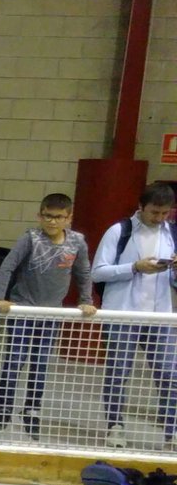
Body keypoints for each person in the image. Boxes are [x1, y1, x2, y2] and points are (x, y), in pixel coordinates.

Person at [0, 193, 96, 439]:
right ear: (39, 216)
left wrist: (86, 300)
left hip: (51, 313)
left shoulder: (77, 242)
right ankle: (3, 410)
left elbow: (83, 273)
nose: (52, 221)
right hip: (23, 308)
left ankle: (32, 410)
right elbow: (8, 265)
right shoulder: (30, 238)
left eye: (58, 217)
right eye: (47, 216)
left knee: (40, 364)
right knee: (14, 361)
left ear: (69, 218)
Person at [91, 181, 177, 449]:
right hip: (123, 315)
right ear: (141, 207)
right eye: (154, 212)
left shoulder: (172, 233)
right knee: (119, 372)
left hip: (160, 316)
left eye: (165, 213)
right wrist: (134, 267)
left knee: (169, 374)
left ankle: (171, 432)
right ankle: (115, 426)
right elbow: (98, 272)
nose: (160, 218)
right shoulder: (119, 231)